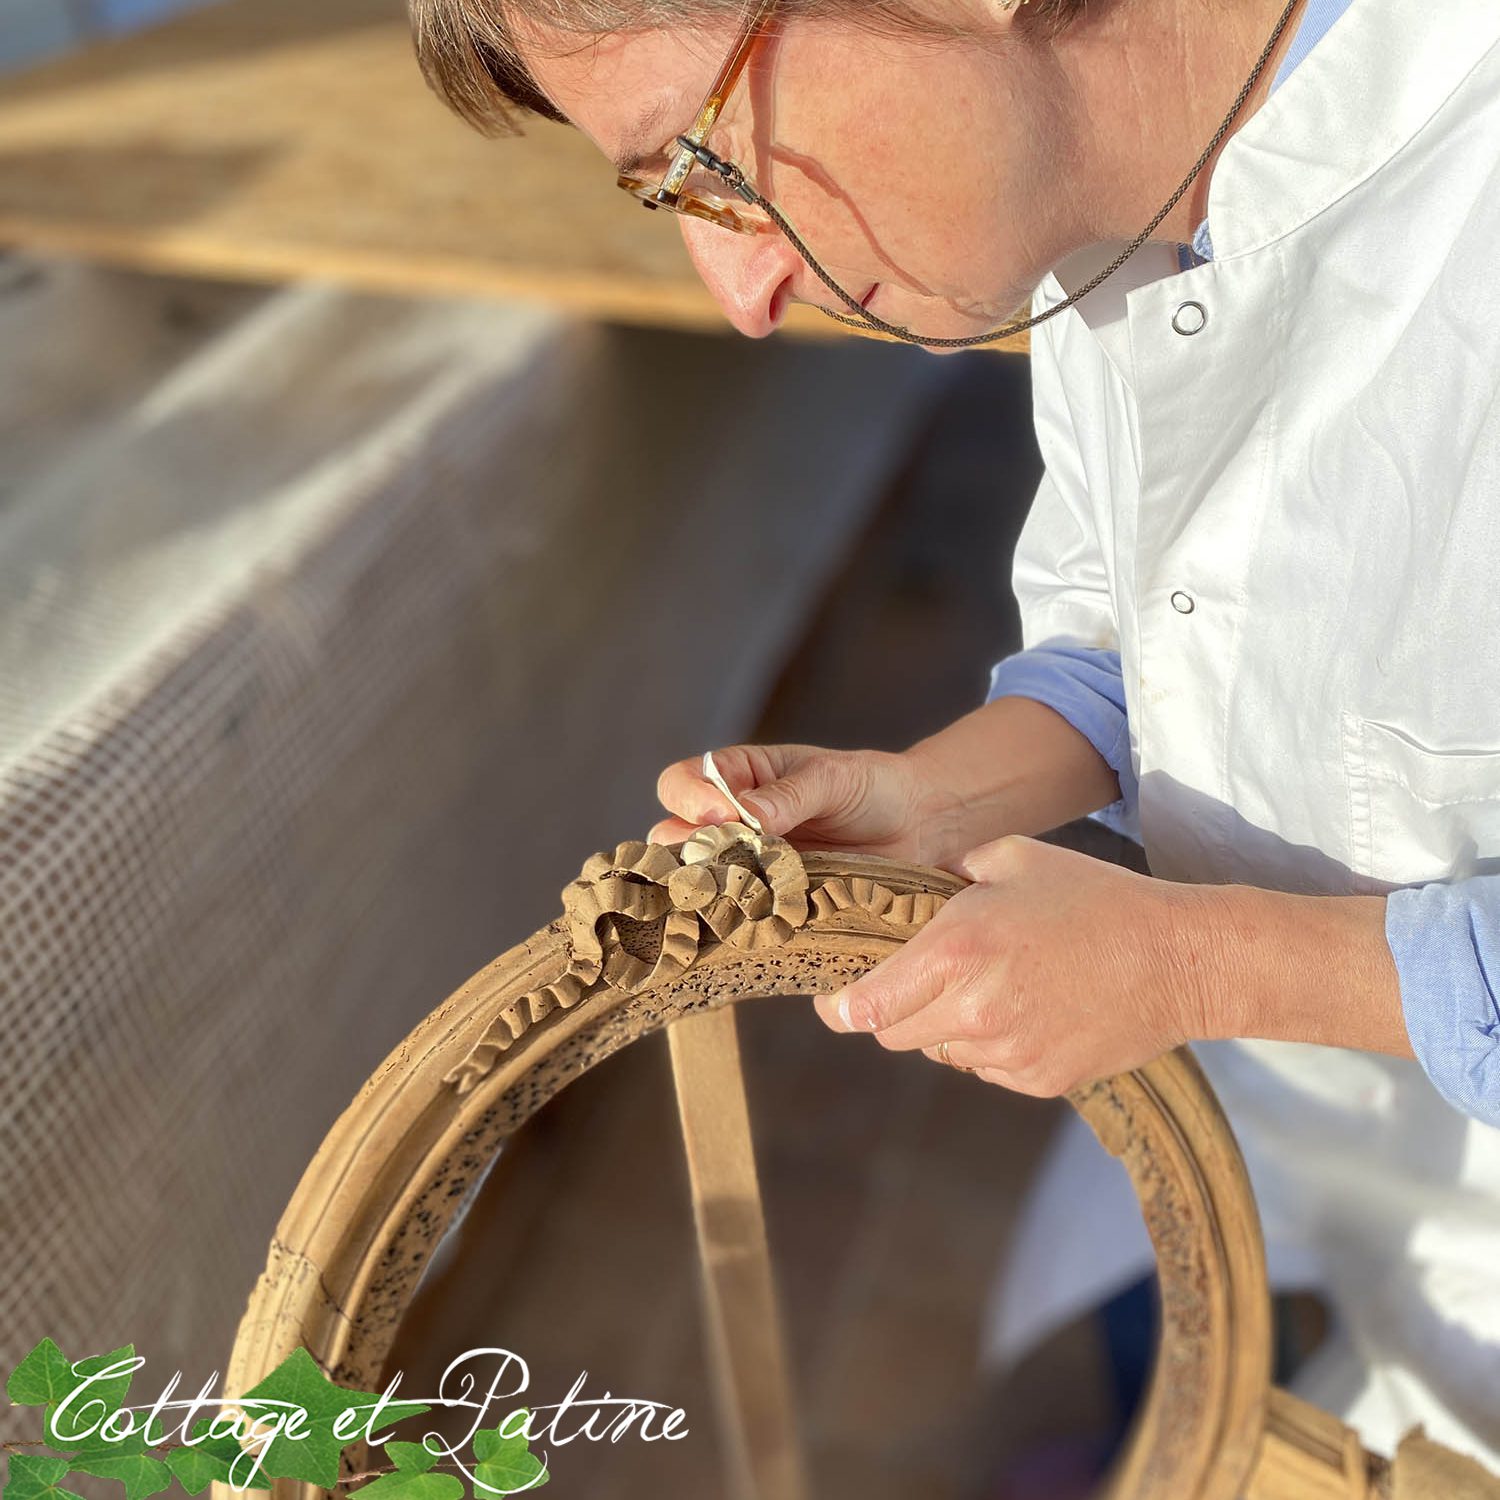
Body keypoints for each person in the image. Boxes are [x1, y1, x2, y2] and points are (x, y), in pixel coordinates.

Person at [407, 0, 1500, 1470]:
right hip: (1346, 1215)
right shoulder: (1113, 195)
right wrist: (936, 804)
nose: (740, 288)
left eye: (705, 161)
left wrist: (1193, 961)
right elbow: (1153, 631)